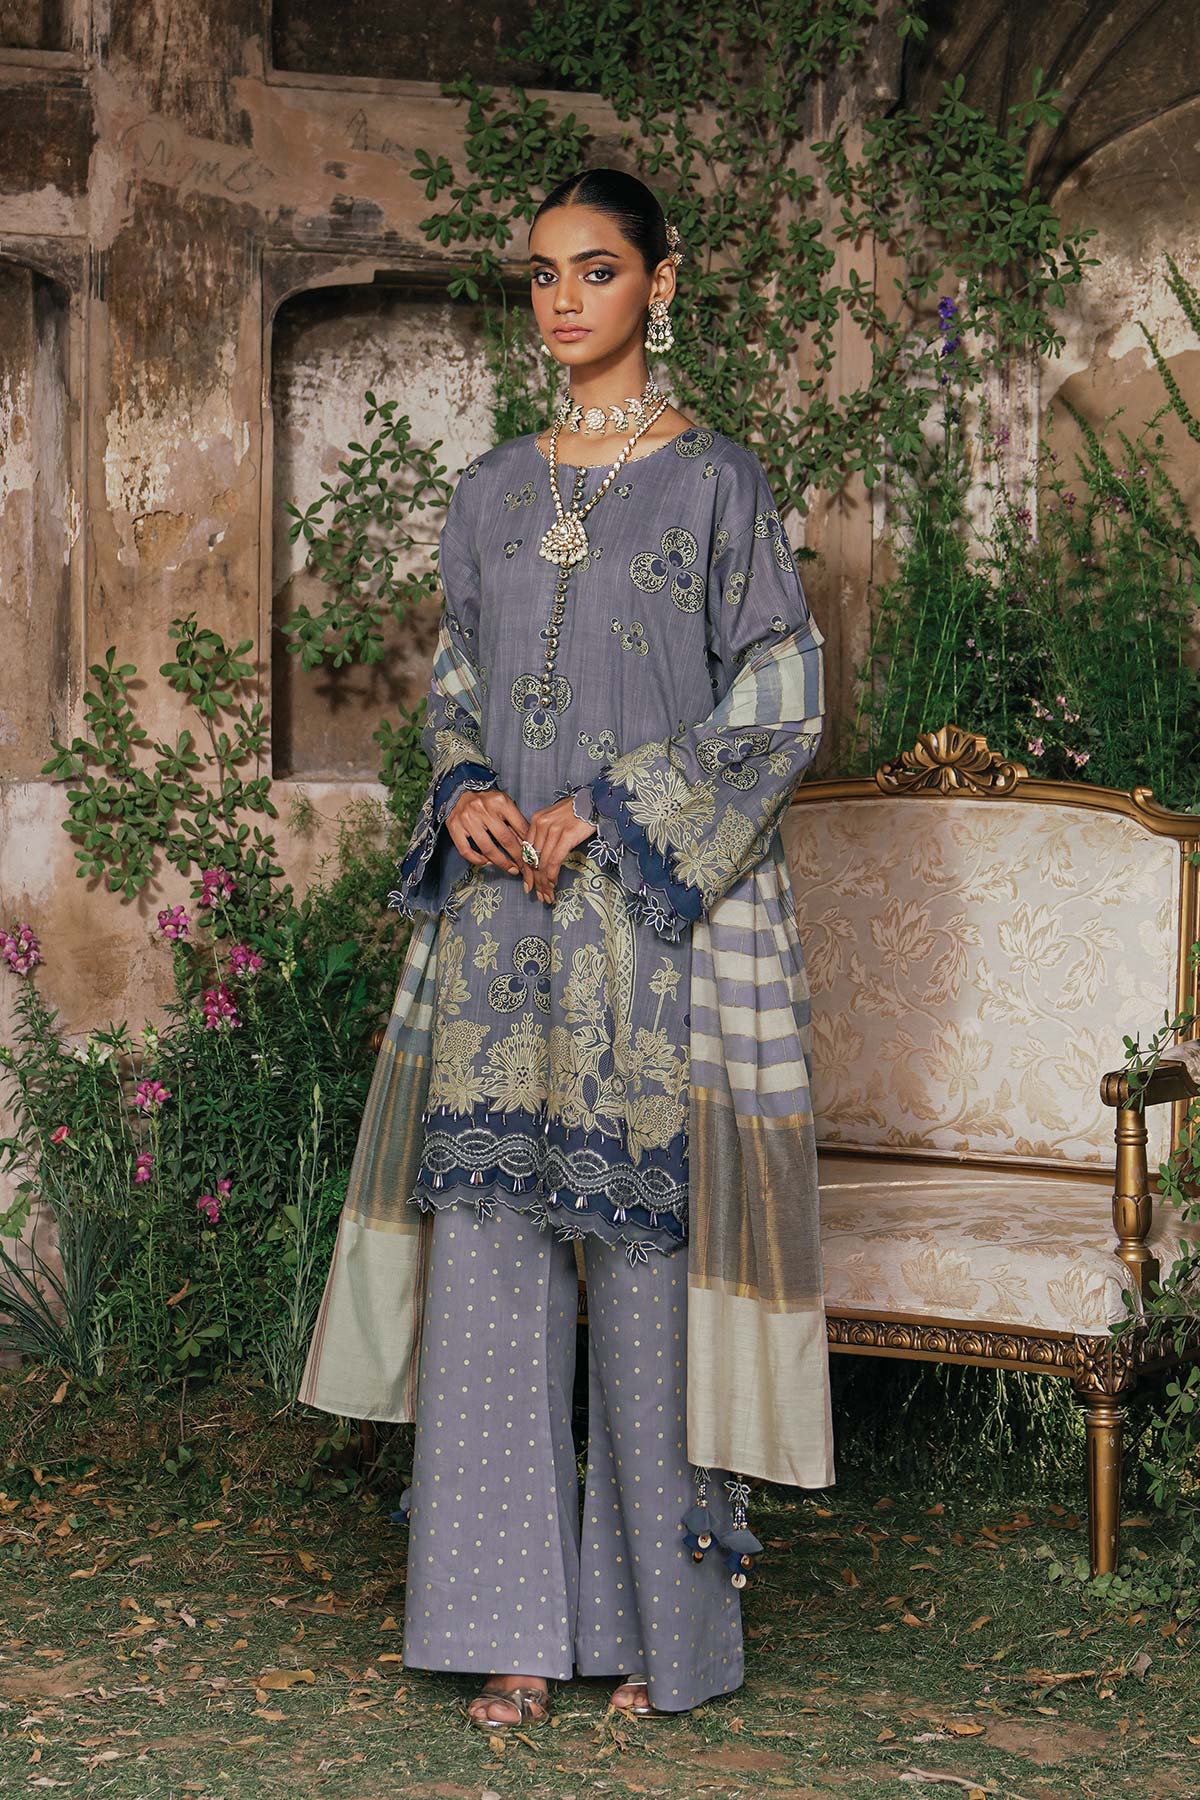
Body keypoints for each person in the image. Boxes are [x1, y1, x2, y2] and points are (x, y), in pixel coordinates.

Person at [298, 165, 834, 1732]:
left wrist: (615, 806)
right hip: (500, 927)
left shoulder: (719, 482)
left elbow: (783, 699)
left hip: (651, 923)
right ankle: (507, 1628)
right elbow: (458, 685)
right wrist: (463, 784)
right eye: (542, 273)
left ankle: (664, 1630)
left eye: (595, 270)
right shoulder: (489, 491)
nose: (563, 300)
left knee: (649, 1276)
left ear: (660, 283)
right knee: (493, 1259)